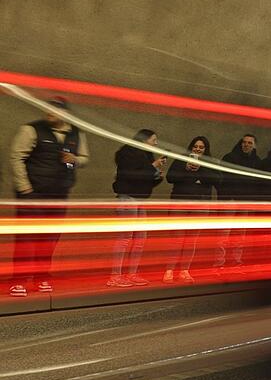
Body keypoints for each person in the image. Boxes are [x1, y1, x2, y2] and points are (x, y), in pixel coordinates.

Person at [8, 97, 90, 297]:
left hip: (59, 194)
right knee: (27, 238)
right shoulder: (31, 130)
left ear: (64, 114)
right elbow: (16, 156)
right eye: (47, 110)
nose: (49, 114)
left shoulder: (77, 134)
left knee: (50, 238)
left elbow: (84, 159)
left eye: (53, 111)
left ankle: (41, 277)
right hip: (33, 193)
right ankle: (18, 281)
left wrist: (74, 161)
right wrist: (25, 188)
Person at [109, 129, 166, 287]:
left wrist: (156, 176)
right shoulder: (127, 152)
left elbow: (145, 178)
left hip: (140, 198)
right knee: (125, 238)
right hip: (128, 198)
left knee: (140, 239)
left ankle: (132, 274)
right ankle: (115, 276)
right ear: (144, 139)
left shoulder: (147, 156)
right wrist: (153, 166)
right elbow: (131, 175)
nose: (156, 143)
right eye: (154, 139)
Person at [164, 136, 220, 283]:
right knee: (177, 238)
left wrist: (200, 171)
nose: (198, 149)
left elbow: (216, 180)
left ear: (206, 149)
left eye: (201, 147)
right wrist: (186, 169)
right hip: (180, 202)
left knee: (191, 240)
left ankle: (184, 270)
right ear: (191, 147)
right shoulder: (181, 159)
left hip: (200, 203)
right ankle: (169, 270)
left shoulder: (209, 163)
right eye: (195, 146)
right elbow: (170, 177)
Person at [217, 134, 260, 272]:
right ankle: (220, 263)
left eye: (249, 143)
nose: (246, 145)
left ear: (254, 146)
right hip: (231, 199)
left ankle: (235, 262)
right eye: (244, 142)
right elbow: (220, 179)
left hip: (245, 201)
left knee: (240, 236)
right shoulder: (230, 158)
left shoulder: (257, 162)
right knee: (224, 234)